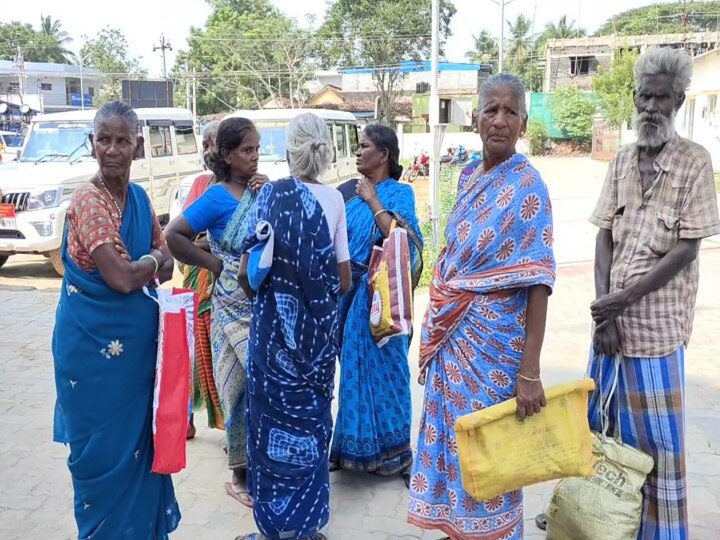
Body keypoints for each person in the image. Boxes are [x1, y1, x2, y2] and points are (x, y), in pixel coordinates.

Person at [538, 47, 720, 539]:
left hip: (657, 333)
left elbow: (686, 250)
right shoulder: (621, 161)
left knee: (657, 453)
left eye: (661, 98)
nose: (651, 108)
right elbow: (603, 236)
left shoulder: (695, 163)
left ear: (679, 101)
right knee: (598, 439)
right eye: (644, 97)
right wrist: (605, 312)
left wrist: (623, 301)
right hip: (610, 332)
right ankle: (594, 525)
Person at [407, 73, 556, 539]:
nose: (499, 120)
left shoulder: (530, 187)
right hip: (454, 342)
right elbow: (454, 252)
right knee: (455, 449)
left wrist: (529, 371)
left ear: (523, 123)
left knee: (493, 454)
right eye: (491, 110)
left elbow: (539, 283)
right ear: (474, 119)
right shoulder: (469, 175)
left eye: (510, 112)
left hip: (496, 353)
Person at [52, 100, 180, 539]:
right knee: (101, 461)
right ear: (91, 144)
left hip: (137, 362)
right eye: (103, 139)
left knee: (138, 453)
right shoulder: (88, 200)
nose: (112, 149)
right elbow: (123, 278)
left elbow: (167, 263)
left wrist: (147, 261)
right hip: (92, 360)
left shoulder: (140, 199)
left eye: (122, 140)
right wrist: (148, 260)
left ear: (137, 147)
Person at [234, 112, 351, 540]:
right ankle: (306, 525)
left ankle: (272, 528)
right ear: (327, 150)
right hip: (317, 349)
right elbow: (342, 280)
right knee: (312, 428)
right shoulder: (337, 200)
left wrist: (276, 298)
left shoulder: (270, 198)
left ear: (287, 150)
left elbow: (248, 274)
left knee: (268, 432)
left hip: (271, 346)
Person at [165, 116, 267, 507]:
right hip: (231, 306)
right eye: (246, 150)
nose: (254, 157)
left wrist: (271, 192)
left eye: (257, 149)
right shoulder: (216, 196)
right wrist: (216, 265)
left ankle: (266, 465)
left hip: (265, 304)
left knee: (267, 386)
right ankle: (241, 474)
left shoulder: (263, 190)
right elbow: (174, 235)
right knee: (237, 385)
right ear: (226, 155)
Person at [330, 125, 423, 484]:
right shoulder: (348, 198)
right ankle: (351, 449)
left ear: (383, 155)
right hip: (349, 297)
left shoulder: (400, 192)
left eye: (364, 146)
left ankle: (399, 454)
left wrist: (373, 199)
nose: (357, 152)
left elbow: (402, 239)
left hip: (383, 297)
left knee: (391, 372)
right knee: (352, 373)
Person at [182, 121, 223, 439]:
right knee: (189, 349)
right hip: (195, 280)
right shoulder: (199, 184)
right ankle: (186, 417)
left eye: (213, 142)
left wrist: (203, 242)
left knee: (220, 351)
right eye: (204, 143)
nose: (207, 149)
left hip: (225, 283)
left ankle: (229, 423)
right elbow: (182, 237)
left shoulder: (248, 186)